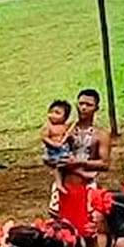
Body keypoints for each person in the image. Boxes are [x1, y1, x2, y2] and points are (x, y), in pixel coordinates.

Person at [48, 90, 111, 239]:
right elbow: (52, 154)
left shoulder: (101, 135)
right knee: (60, 231)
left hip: (86, 185)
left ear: (96, 108)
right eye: (81, 103)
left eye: (88, 105)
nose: (83, 107)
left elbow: (105, 164)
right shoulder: (66, 129)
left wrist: (79, 163)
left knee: (88, 231)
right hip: (65, 185)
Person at [41, 100, 74, 165]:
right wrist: (53, 144)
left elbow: (69, 136)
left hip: (64, 148)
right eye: (51, 112)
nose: (53, 115)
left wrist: (70, 137)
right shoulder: (49, 127)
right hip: (53, 150)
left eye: (57, 113)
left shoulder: (65, 126)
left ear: (65, 117)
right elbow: (44, 137)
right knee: (55, 163)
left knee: (68, 160)